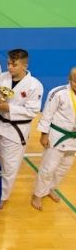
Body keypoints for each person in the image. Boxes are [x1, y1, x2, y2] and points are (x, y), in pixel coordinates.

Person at [0, 49, 43, 204]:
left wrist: (8, 108)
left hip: (15, 131)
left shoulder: (34, 85)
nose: (10, 67)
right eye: (8, 63)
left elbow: (32, 111)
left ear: (25, 65)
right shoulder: (2, 78)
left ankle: (2, 197)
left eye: (14, 64)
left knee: (9, 166)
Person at [32, 67, 76, 210]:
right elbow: (47, 114)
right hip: (57, 137)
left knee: (64, 168)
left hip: (73, 140)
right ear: (70, 79)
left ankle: (49, 188)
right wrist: (44, 134)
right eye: (75, 81)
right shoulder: (59, 93)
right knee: (48, 168)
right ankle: (38, 194)